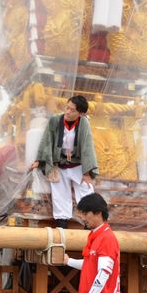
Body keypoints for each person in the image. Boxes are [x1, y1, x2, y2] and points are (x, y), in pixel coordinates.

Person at [31, 95, 98, 229]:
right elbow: (46, 140)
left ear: (80, 113)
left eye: (72, 110)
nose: (67, 112)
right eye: (67, 107)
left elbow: (87, 146)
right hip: (60, 163)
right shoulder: (55, 120)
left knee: (86, 192)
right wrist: (39, 160)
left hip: (78, 164)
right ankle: (62, 227)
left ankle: (89, 226)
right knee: (60, 196)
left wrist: (87, 172)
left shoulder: (84, 123)